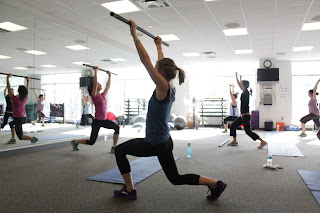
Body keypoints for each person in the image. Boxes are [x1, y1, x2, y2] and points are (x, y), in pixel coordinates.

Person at [113, 20, 227, 201]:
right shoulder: (170, 85)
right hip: (165, 141)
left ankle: (130, 190)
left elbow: (146, 61)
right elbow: (160, 63)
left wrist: (134, 34)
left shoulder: (162, 87)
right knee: (175, 179)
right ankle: (215, 184)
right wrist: (158, 46)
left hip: (155, 143)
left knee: (119, 151)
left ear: (162, 75)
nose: (156, 72)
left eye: (158, 71)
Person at [71, 67, 119, 153]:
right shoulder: (94, 96)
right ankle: (75, 142)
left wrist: (109, 76)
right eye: (98, 84)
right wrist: (95, 72)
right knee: (91, 142)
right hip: (97, 121)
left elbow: (108, 86)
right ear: (95, 87)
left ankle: (114, 146)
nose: (100, 85)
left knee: (117, 128)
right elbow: (95, 82)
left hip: (104, 120)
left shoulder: (103, 96)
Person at [228, 73, 267, 149]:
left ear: (244, 86)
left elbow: (239, 85)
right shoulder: (245, 92)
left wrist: (236, 77)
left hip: (245, 116)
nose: (240, 85)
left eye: (241, 84)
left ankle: (263, 141)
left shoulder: (246, 92)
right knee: (233, 125)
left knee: (248, 132)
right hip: (243, 116)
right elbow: (240, 85)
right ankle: (234, 141)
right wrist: (239, 78)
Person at [6, 74, 38, 144]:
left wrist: (7, 78)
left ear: (19, 91)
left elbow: (9, 88)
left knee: (20, 137)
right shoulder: (25, 98)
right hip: (23, 117)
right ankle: (13, 138)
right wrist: (28, 80)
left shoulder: (15, 99)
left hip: (18, 118)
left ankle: (31, 138)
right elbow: (26, 90)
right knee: (11, 123)